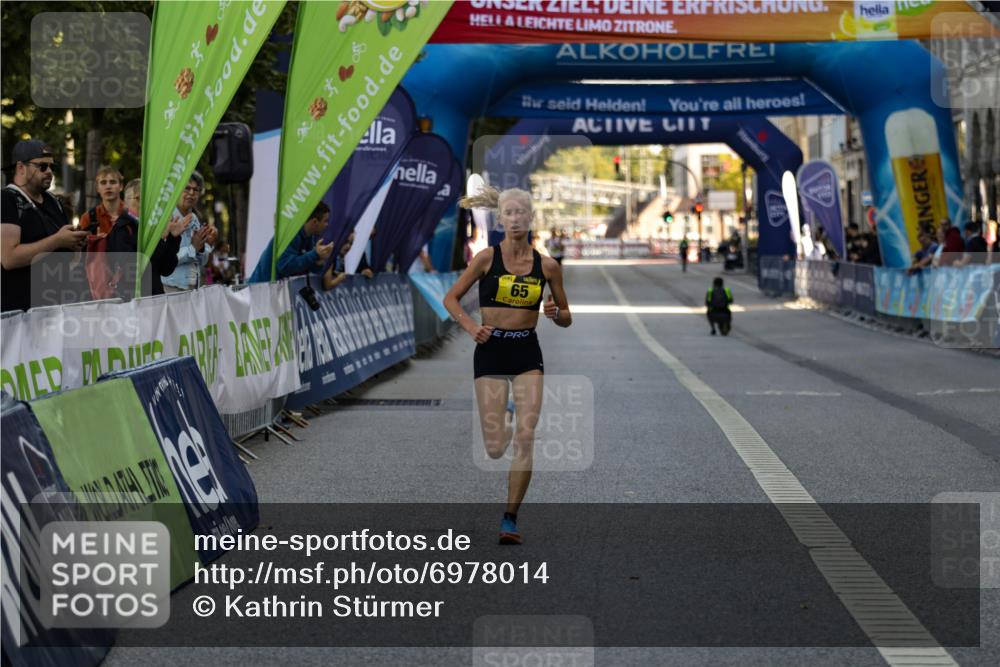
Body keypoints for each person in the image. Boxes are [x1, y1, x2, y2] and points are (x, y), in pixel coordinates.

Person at [443, 185, 572, 545]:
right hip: (491, 351)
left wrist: (554, 312)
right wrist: (471, 328)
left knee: (526, 437)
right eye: (509, 213)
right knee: (496, 447)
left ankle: (510, 518)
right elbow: (450, 298)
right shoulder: (486, 259)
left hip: (527, 352)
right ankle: (508, 415)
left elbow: (566, 317)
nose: (516, 218)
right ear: (501, 220)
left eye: (522, 212)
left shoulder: (547, 266)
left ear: (531, 218)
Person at [1, 140, 88, 312]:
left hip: (56, 309)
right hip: (21, 316)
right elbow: (8, 258)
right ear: (20, 168)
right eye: (42, 167)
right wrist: (57, 241)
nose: (49, 172)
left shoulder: (53, 201)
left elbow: (68, 256)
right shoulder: (7, 200)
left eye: (51, 167)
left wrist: (75, 244)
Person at [249, 201, 333, 282]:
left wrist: (319, 261)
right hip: (260, 290)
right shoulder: (291, 234)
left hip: (276, 290)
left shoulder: (310, 237)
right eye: (325, 221)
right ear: (315, 222)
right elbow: (285, 266)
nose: (327, 225)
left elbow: (309, 268)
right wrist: (314, 254)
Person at [161, 171, 217, 292]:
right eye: (187, 188)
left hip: (192, 287)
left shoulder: (194, 219)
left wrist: (206, 245)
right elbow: (165, 260)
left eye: (196, 190)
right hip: (170, 286)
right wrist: (193, 247)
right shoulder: (167, 217)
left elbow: (201, 261)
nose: (191, 193)